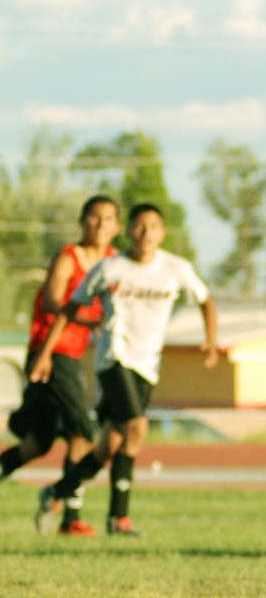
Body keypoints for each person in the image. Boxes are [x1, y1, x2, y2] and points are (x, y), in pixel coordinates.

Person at [30, 203, 219, 536]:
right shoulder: (110, 268)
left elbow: (205, 301)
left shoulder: (176, 268)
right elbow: (67, 309)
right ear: (129, 230)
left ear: (162, 233)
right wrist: (45, 354)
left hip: (148, 364)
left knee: (110, 445)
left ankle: (57, 491)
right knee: (137, 426)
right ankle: (119, 519)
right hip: (114, 359)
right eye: (140, 226)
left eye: (153, 227)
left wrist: (211, 340)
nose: (146, 234)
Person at [1, 195, 119, 535]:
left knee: (38, 442)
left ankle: (64, 506)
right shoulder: (69, 257)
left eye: (108, 218)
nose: (100, 224)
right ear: (82, 221)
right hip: (51, 353)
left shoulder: (114, 262)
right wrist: (90, 320)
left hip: (73, 354)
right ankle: (71, 517)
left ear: (117, 227)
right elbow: (53, 303)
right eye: (94, 217)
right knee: (83, 432)